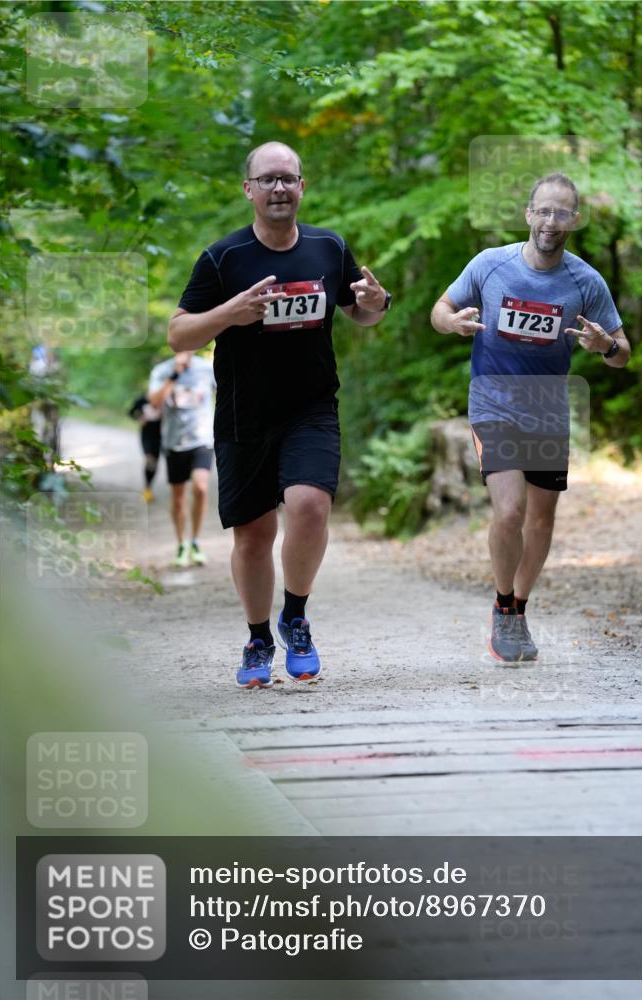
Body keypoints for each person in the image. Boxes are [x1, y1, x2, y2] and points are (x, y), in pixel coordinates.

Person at [168, 141, 391, 688]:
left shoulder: (328, 247)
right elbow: (179, 332)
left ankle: (295, 616)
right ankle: (257, 637)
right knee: (253, 534)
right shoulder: (224, 258)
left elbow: (359, 313)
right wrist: (231, 312)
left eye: (288, 179)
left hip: (311, 406)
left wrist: (376, 303)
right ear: (249, 189)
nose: (278, 189)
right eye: (267, 180)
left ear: (302, 186)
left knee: (310, 506)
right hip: (245, 414)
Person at [431, 172, 630, 662]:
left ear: (574, 220)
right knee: (511, 511)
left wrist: (605, 346)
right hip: (493, 404)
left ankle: (519, 608)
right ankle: (502, 606)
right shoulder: (490, 265)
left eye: (562, 212)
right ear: (527, 214)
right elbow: (441, 307)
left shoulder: (585, 281)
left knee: (541, 521)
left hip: (547, 411)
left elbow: (623, 352)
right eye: (543, 210)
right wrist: (451, 322)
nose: (551, 220)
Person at [148, 350, 216, 568]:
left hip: (202, 440)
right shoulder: (162, 370)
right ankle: (181, 544)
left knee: (201, 488)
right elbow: (154, 402)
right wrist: (175, 374)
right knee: (178, 498)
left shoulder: (207, 368)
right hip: (174, 443)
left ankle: (195, 540)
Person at [128, 392, 161, 502]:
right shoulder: (142, 400)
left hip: (160, 436)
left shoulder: (165, 399)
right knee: (149, 459)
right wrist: (140, 417)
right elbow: (131, 413)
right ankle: (147, 489)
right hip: (146, 435)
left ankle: (149, 487)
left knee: (154, 462)